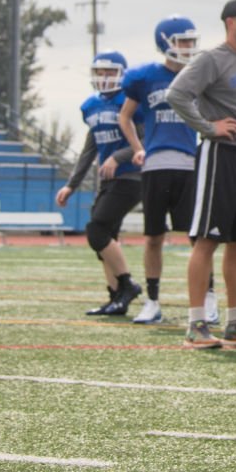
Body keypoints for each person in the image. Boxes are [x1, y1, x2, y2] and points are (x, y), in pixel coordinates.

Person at [166, 0, 236, 349]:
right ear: (231, 21)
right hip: (219, 155)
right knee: (207, 239)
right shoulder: (212, 58)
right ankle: (197, 324)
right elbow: (177, 94)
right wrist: (208, 127)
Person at [119, 16, 203, 324]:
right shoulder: (144, 77)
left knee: (198, 237)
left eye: (191, 41)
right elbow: (124, 117)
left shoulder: (198, 76)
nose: (188, 47)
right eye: (182, 41)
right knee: (153, 236)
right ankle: (152, 301)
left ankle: (207, 299)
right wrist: (138, 148)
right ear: (165, 42)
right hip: (155, 164)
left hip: (189, 163)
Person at [57, 49, 143, 318]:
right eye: (100, 72)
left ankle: (127, 284)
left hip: (131, 177)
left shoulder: (129, 102)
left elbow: (145, 140)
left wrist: (118, 157)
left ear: (121, 74)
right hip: (108, 180)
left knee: (97, 230)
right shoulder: (90, 106)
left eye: (110, 72)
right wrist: (72, 184)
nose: (105, 78)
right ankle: (116, 298)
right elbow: (90, 148)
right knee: (107, 239)